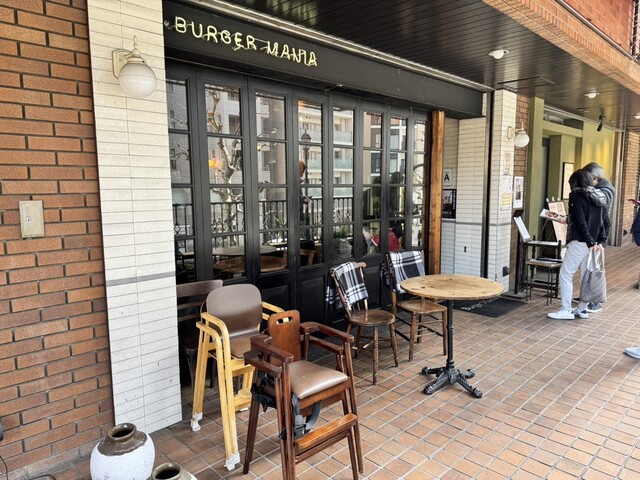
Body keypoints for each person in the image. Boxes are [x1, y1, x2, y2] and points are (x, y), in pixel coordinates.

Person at [548, 168, 610, 320]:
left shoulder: (576, 196)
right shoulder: (599, 195)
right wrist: (600, 242)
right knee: (586, 277)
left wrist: (589, 242)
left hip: (581, 242)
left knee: (565, 274)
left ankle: (566, 310)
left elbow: (581, 222)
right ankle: (582, 309)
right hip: (595, 245)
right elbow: (605, 222)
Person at [582, 162, 616, 313]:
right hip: (597, 234)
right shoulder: (603, 188)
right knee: (590, 267)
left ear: (594, 177)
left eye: (587, 177)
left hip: (597, 234)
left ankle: (595, 301)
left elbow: (602, 216)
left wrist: (601, 240)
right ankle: (588, 296)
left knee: (595, 269)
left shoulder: (604, 191)